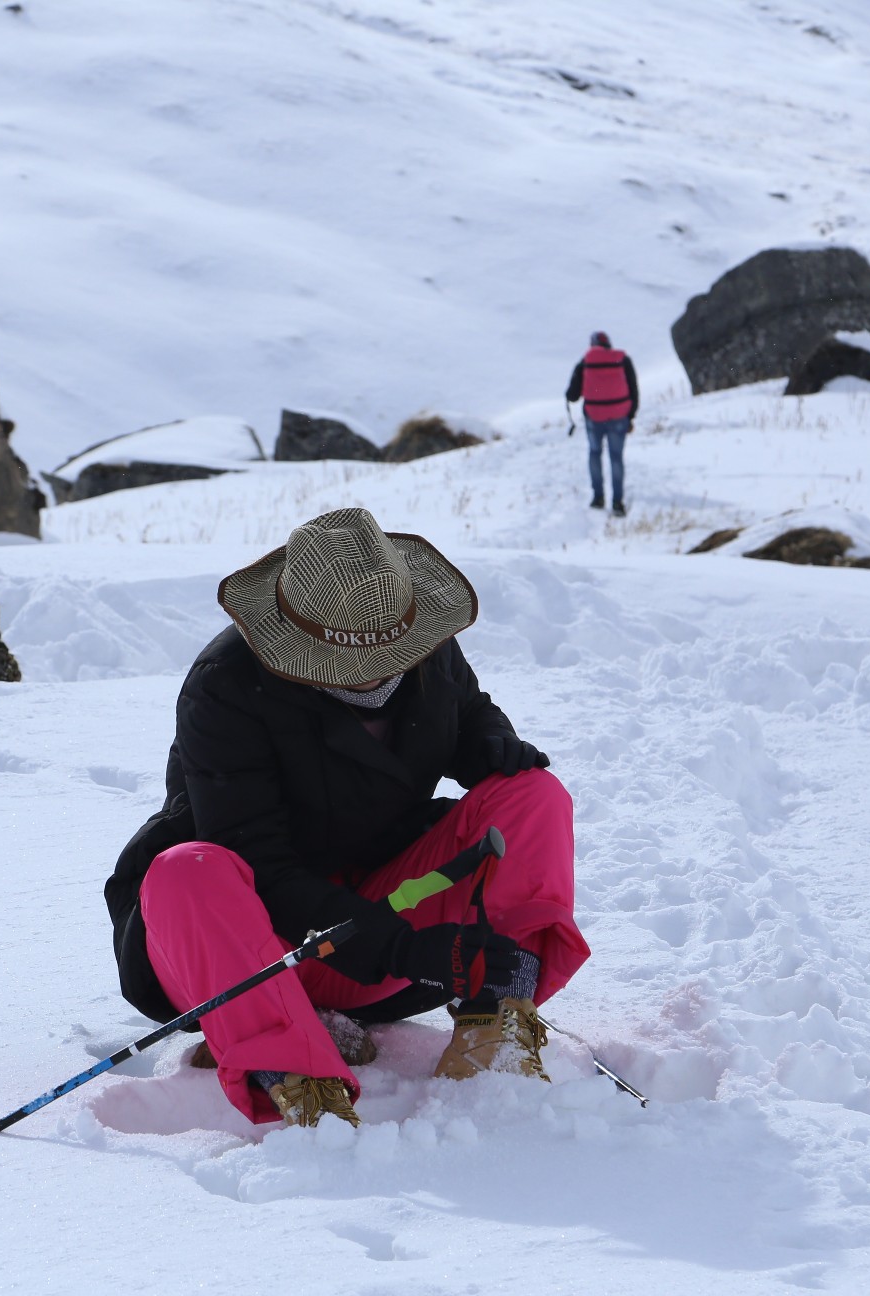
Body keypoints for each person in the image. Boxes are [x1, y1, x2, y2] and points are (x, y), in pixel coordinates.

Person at [105, 508, 590, 1128]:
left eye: (396, 649)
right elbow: (265, 868)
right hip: (252, 953)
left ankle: (496, 1022)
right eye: (361, 660)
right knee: (184, 870)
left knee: (534, 795)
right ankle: (301, 1083)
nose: (386, 668)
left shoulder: (425, 640)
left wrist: (491, 743)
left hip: (381, 920)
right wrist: (404, 949)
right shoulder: (224, 688)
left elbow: (468, 712)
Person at [565, 331, 638, 517]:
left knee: (595, 453)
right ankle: (617, 502)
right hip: (619, 416)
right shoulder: (622, 359)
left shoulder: (586, 361)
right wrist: (630, 416)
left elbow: (573, 395)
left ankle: (598, 498)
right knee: (616, 457)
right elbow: (633, 389)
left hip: (594, 416)